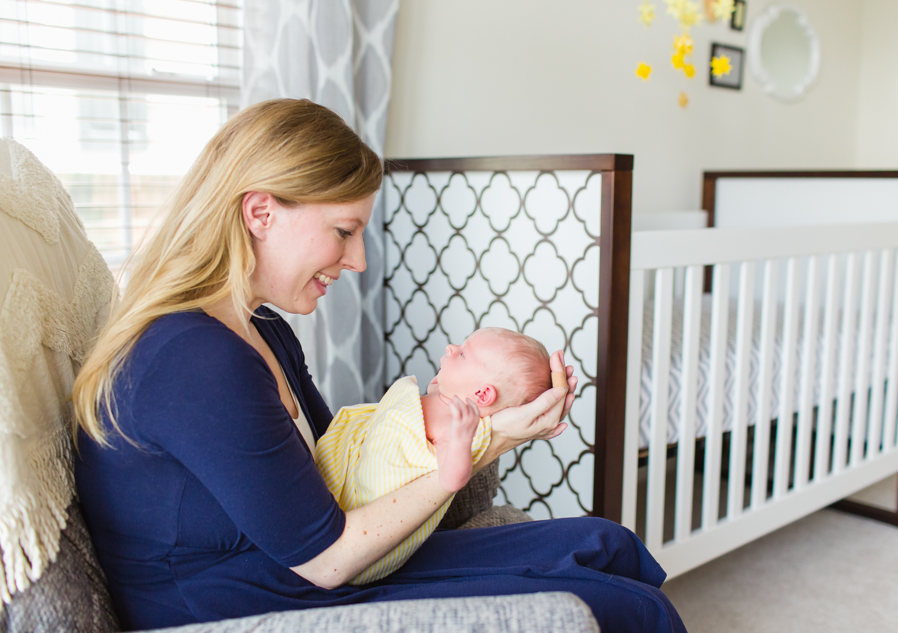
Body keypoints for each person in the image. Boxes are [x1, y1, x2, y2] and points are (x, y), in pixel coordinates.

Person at [71, 98, 686, 633]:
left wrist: (502, 429)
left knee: (608, 544)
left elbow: (348, 473)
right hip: (249, 604)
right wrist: (483, 444)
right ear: (260, 213)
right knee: (627, 611)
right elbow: (328, 558)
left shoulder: (263, 329)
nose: (359, 259)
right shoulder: (192, 359)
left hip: (300, 573)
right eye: (344, 231)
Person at [315, 327, 552, 584]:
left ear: (482, 394)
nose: (452, 348)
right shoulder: (445, 394)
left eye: (463, 354)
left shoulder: (456, 428)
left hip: (369, 517)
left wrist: (461, 439)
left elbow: (452, 479)